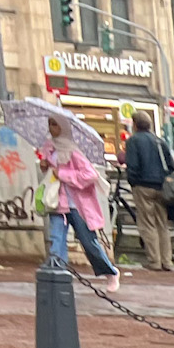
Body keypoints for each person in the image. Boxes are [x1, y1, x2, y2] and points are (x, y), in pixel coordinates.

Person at [39, 112, 120, 297]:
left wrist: (64, 175)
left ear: (64, 127)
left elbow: (90, 175)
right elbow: (52, 173)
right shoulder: (50, 148)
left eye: (55, 124)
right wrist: (45, 166)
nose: (51, 128)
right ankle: (58, 275)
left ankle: (110, 272)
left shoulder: (74, 151)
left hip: (78, 204)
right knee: (56, 239)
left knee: (88, 243)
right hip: (57, 203)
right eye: (50, 124)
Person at [123, 110, 174, 272]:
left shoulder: (133, 141)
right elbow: (171, 166)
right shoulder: (160, 141)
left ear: (135, 124)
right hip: (162, 187)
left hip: (143, 185)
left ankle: (154, 261)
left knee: (147, 223)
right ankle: (167, 261)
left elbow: (133, 165)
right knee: (162, 224)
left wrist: (132, 181)